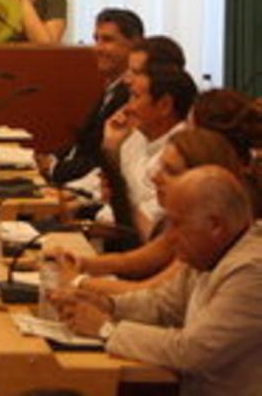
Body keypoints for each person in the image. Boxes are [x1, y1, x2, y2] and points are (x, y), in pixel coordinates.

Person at [52, 167, 262, 395]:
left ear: (215, 226)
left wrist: (106, 329)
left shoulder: (252, 271)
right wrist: (108, 305)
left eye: (178, 223)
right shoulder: (211, 252)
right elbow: (162, 305)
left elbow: (192, 351)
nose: (170, 237)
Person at [55, 129, 248, 296]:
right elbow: (131, 261)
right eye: (160, 167)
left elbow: (149, 293)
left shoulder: (202, 235)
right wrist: (80, 263)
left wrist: (77, 281)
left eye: (170, 171)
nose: (156, 177)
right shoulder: (177, 219)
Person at [44, 8, 144, 185]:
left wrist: (53, 168)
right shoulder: (112, 88)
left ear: (135, 45)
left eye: (107, 40)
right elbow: (81, 143)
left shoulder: (131, 95)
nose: (97, 48)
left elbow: (100, 160)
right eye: (96, 39)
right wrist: (50, 158)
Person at [102, 62, 197, 243]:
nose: (128, 107)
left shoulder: (179, 155)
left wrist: (120, 196)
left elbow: (150, 233)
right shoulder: (135, 137)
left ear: (164, 105)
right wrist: (111, 148)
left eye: (135, 97)